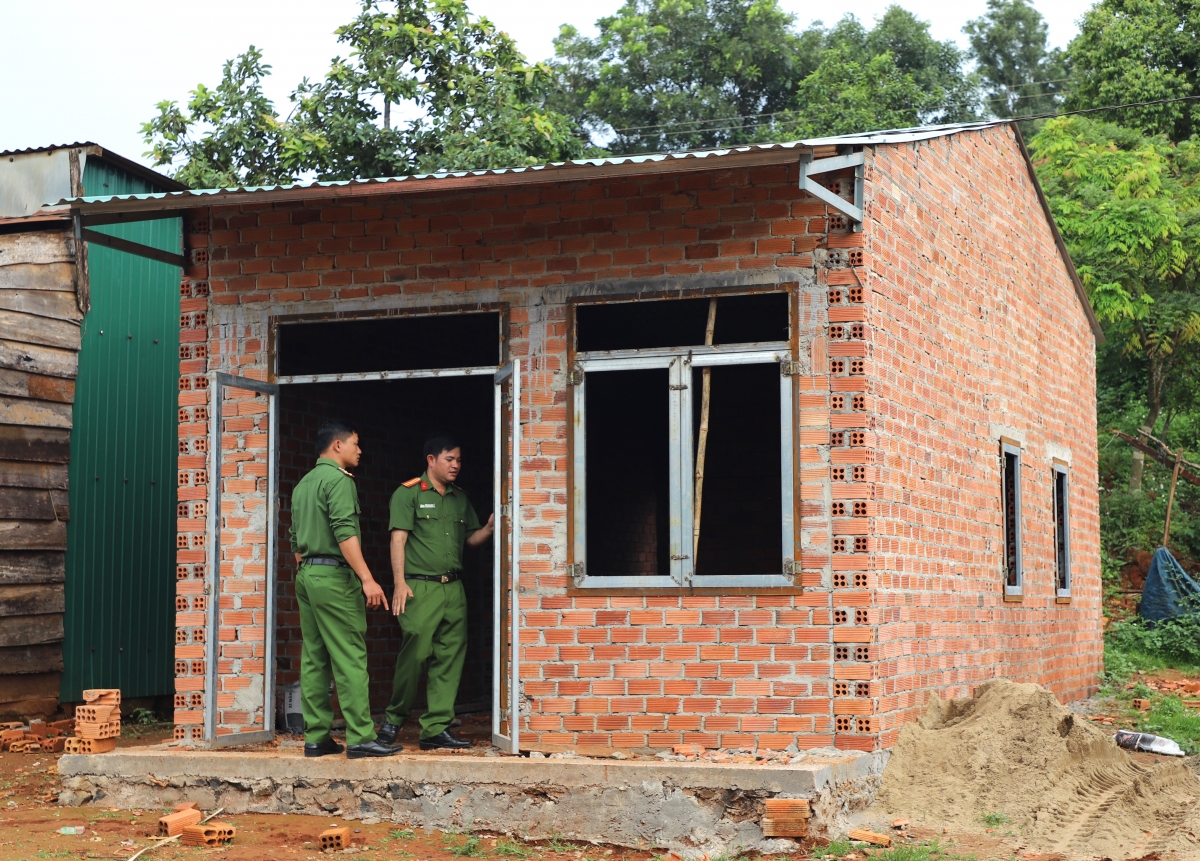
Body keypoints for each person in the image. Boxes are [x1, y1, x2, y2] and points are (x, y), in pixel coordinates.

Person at [288, 420, 399, 759]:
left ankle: (316, 738)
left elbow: (294, 539)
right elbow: (344, 532)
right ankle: (362, 737)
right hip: (334, 578)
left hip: (307, 574)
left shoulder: (303, 484)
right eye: (355, 443)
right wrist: (367, 578)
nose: (359, 450)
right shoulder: (339, 481)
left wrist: (308, 571)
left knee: (314, 657)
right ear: (337, 445)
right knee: (349, 654)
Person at [376, 435, 494, 750]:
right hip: (419, 587)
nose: (456, 465)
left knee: (449, 657)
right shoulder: (408, 493)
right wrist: (399, 583)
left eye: (459, 460)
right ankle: (393, 720)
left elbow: (471, 539)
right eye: (449, 459)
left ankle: (435, 729)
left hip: (453, 587)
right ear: (431, 460)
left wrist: (489, 528)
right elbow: (398, 540)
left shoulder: (459, 498)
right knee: (415, 655)